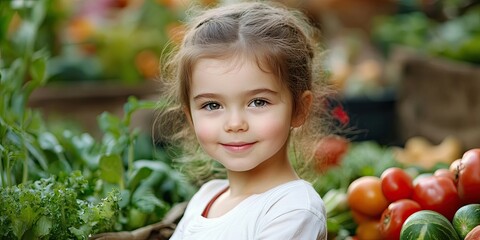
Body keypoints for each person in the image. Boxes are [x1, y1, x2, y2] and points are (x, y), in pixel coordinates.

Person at [156, 1, 333, 239]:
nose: (235, 123)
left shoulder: (293, 210)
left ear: (299, 109)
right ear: (190, 116)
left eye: (258, 102)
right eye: (212, 105)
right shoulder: (206, 198)